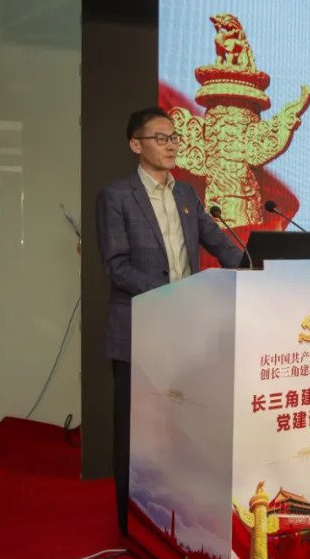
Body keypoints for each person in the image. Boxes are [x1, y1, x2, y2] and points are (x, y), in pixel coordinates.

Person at [95, 106, 245, 535]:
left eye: (175, 137)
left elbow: (219, 242)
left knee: (182, 425)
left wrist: (256, 265)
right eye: (160, 138)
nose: (171, 144)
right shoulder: (116, 197)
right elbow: (116, 265)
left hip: (186, 330)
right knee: (136, 432)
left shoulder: (186, 195)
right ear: (135, 145)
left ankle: (178, 521)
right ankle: (131, 526)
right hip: (139, 329)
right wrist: (171, 295)